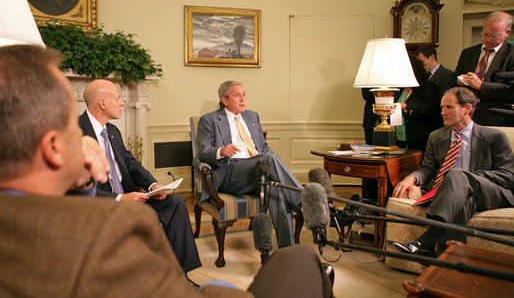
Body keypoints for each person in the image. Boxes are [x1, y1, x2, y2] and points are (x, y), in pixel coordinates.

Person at [0, 45, 333, 298]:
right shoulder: (102, 232)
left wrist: (141, 184)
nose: (83, 140)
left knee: (267, 180)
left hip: (254, 169)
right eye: (70, 129)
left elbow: (129, 163)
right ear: (54, 148)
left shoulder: (108, 140)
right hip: (225, 173)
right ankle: (307, 201)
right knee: (304, 263)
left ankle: (298, 206)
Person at [79, 79, 201, 274]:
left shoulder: (112, 130)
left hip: (131, 197)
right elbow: (76, 189)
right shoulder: (75, 132)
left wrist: (152, 186)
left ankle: (180, 275)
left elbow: (130, 163)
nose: (122, 103)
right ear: (102, 103)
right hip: (102, 205)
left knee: (176, 203)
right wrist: (120, 199)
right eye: (117, 98)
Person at [388, 87, 514, 257]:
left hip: (490, 192)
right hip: (451, 194)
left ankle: (429, 238)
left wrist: (469, 178)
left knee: (457, 175)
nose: (442, 112)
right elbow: (427, 169)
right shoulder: (436, 136)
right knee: (464, 199)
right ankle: (447, 261)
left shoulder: (493, 136)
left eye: (449, 107)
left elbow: (508, 176)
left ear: (467, 108)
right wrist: (412, 177)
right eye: (442, 107)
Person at [198, 80, 303, 248]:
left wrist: (270, 159)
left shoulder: (252, 116)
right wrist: (221, 151)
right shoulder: (209, 120)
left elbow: (263, 147)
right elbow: (203, 151)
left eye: (244, 94)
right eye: (237, 95)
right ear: (225, 100)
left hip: (258, 171)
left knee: (275, 189)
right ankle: (302, 199)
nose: (243, 99)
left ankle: (287, 249)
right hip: (231, 174)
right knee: (268, 160)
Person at [455, 11, 514, 126]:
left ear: (507, 32)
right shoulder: (468, 53)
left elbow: (511, 91)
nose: (488, 39)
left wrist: (481, 86)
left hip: (497, 120)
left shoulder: (512, 55)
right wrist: (460, 81)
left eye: (493, 36)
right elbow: (454, 81)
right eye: (485, 34)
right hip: (467, 118)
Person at [396, 55, 442, 153]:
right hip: (399, 139)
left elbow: (431, 109)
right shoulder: (400, 89)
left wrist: (406, 107)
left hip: (419, 139)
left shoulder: (428, 87)